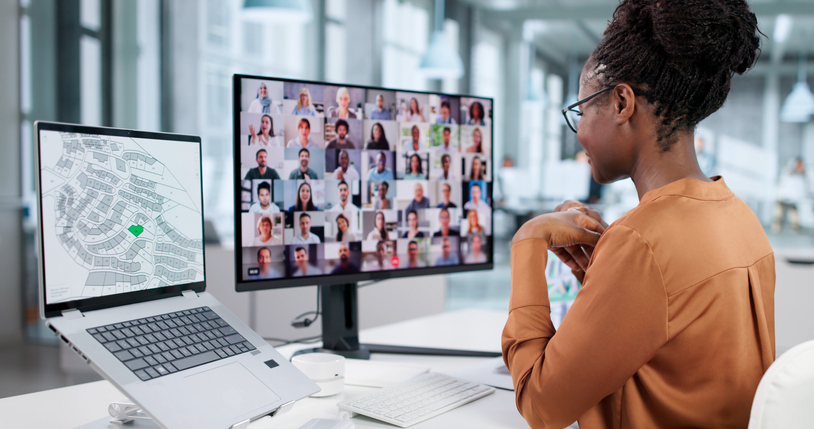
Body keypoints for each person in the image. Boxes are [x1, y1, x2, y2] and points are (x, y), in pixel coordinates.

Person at [502, 1, 772, 428]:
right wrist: (607, 274)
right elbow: (680, 355)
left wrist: (527, 241)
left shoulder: (643, 242)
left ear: (621, 102)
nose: (580, 136)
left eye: (581, 111)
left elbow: (540, 405)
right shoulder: (738, 215)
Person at [772, 157, 808, 233]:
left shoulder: (801, 175)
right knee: (779, 212)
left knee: (794, 212)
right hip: (783, 196)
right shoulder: (787, 173)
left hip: (793, 198)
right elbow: (782, 184)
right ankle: (776, 226)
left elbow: (801, 187)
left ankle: (795, 227)